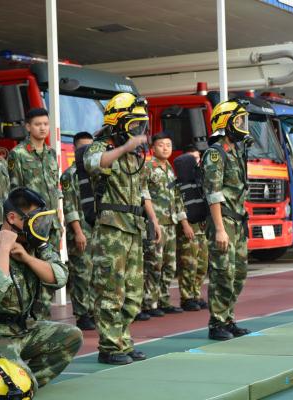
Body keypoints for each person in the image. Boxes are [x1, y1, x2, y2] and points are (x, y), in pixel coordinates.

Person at [0, 187, 82, 399]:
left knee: (71, 337)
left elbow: (60, 277)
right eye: (34, 219)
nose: (40, 226)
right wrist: (4, 248)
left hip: (23, 328)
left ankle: (17, 378)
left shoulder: (34, 245)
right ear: (12, 218)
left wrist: (26, 257)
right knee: (16, 388)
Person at [84, 92, 160, 365]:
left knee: (133, 292)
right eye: (134, 124)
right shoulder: (100, 147)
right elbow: (94, 164)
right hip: (111, 229)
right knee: (110, 290)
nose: (139, 130)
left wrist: (153, 220)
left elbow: (142, 190)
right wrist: (125, 147)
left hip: (133, 228)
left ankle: (123, 341)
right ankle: (109, 346)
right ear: (118, 122)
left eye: (141, 124)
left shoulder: (135, 156)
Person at [202, 99, 252, 341]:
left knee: (238, 273)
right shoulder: (215, 153)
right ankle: (217, 323)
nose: (243, 125)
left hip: (238, 222)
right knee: (223, 272)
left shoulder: (236, 152)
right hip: (223, 221)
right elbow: (213, 193)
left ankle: (228, 318)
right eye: (239, 121)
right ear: (226, 123)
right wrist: (220, 229)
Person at [7, 107, 62, 319]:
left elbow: (55, 188)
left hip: (51, 224)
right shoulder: (18, 154)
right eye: (38, 124)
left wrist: (59, 217)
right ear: (28, 127)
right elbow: (15, 193)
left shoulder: (51, 154)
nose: (42, 128)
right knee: (30, 270)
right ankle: (30, 318)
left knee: (50, 268)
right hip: (31, 225)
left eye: (45, 124)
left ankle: (43, 315)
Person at [140, 133, 193, 318]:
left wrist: (184, 223)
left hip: (171, 223)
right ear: (153, 148)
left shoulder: (170, 169)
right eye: (161, 145)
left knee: (170, 265)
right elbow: (144, 194)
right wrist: (153, 220)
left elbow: (177, 198)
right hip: (155, 224)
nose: (165, 148)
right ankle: (149, 303)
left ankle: (163, 300)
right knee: (154, 264)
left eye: (168, 145)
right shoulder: (147, 167)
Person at [60, 131, 95, 330]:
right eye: (82, 147)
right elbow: (69, 206)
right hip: (80, 230)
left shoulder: (96, 173)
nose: (86, 151)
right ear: (74, 149)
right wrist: (78, 232)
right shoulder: (69, 175)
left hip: (97, 231)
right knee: (81, 273)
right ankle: (82, 314)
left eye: (90, 148)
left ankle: (94, 311)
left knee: (96, 273)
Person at [176, 145, 209, 311]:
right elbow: (178, 205)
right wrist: (185, 225)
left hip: (202, 228)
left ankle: (196, 294)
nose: (195, 162)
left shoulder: (200, 179)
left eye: (197, 158)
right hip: (189, 228)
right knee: (188, 264)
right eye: (191, 159)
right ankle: (186, 297)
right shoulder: (179, 183)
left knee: (202, 264)